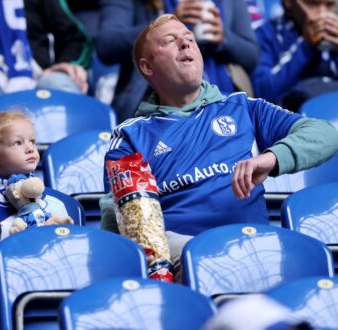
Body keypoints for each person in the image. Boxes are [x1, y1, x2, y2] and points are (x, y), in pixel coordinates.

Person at [100, 14, 338, 280]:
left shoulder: (243, 106)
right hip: (187, 255)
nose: (185, 43)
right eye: (170, 40)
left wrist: (271, 158)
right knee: (196, 259)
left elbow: (325, 134)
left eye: (190, 39)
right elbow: (120, 220)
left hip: (254, 245)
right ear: (147, 67)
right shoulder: (131, 134)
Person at [96, 0, 259, 123]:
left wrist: (224, 39)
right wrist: (162, 26)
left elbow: (251, 56)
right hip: (156, 107)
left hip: (223, 102)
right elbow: (107, 45)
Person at [0, 111, 73, 272]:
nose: (30, 149)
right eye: (18, 143)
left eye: (32, 141)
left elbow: (67, 258)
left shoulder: (55, 205)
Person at [0, 0, 92, 122]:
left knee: (58, 81)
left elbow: (74, 38)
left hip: (40, 76)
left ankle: (72, 140)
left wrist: (67, 64)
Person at [251, 0, 338, 112]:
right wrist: (305, 46)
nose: (323, 14)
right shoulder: (265, 34)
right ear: (289, 2)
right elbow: (262, 92)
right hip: (295, 120)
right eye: (312, 4)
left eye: (329, 5)